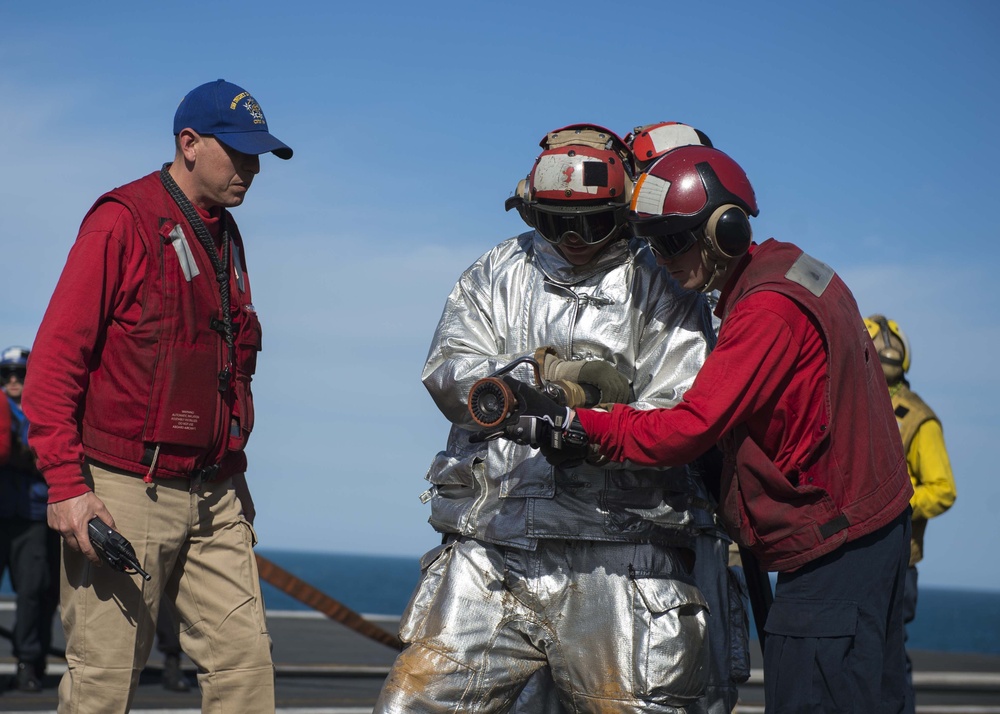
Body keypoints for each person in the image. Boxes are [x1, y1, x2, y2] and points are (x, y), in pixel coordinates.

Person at [506, 145, 915, 712]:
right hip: (875, 528)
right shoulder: (799, 269)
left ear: (726, 229)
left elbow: (690, 427)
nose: (662, 259)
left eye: (674, 241)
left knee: (812, 695)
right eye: (651, 241)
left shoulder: (765, 311)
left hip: (832, 548)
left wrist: (586, 427)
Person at [375, 124, 745, 714]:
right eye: (555, 222)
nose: (574, 238)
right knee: (411, 706)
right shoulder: (497, 272)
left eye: (594, 223)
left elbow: (684, 407)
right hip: (496, 545)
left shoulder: (663, 281)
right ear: (530, 210)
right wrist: (534, 386)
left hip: (621, 554)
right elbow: (449, 367)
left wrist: (590, 415)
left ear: (623, 212)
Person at [23, 79, 292, 713]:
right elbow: (54, 364)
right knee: (104, 682)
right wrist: (66, 485)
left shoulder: (226, 235)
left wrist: (233, 472)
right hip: (121, 491)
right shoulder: (122, 220)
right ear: (190, 143)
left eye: (259, 157)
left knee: (246, 669)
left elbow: (227, 367)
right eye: (240, 152)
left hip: (214, 489)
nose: (252, 170)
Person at [865, 315, 956, 714]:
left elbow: (943, 489)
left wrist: (893, 501)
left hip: (898, 563)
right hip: (857, 559)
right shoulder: (858, 403)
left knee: (889, 665)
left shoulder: (918, 418)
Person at [0, 345, 60, 692]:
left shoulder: (43, 410)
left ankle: (28, 664)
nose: (12, 380)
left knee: (33, 593)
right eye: (6, 374)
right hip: (3, 514)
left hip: (34, 517)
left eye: (20, 374)